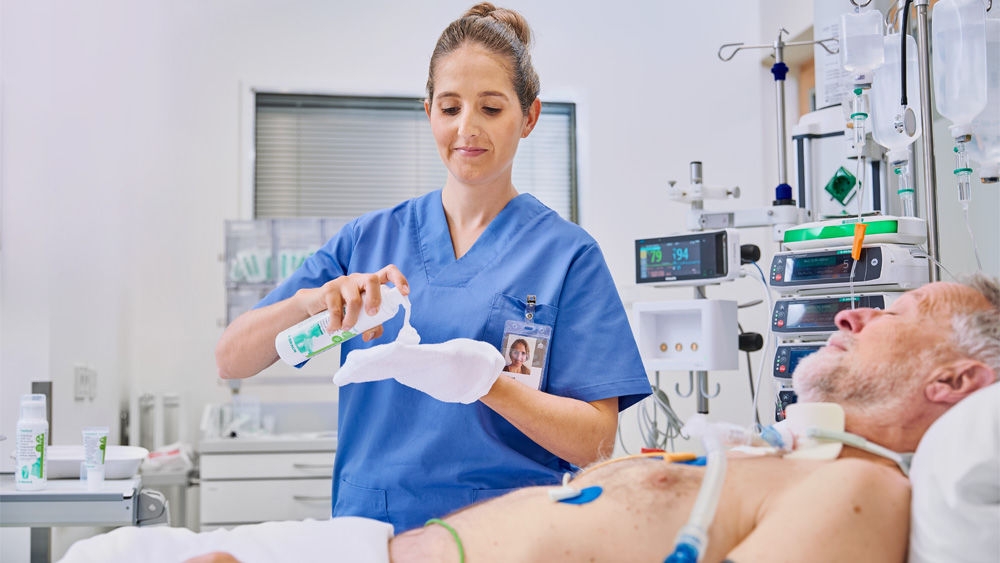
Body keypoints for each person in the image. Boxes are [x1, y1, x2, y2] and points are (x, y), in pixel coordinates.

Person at [70, 275, 997, 563]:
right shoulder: (798, 459)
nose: (851, 312)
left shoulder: (860, 487)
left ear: (959, 380)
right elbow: (235, 354)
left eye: (895, 312)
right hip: (372, 541)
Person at [214, 2, 651, 533]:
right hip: (375, 533)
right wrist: (314, 301)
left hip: (507, 537)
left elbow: (597, 442)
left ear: (529, 117)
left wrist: (487, 383)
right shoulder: (367, 242)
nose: (467, 129)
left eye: (491, 109)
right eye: (450, 108)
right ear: (428, 113)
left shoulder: (567, 256)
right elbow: (232, 358)